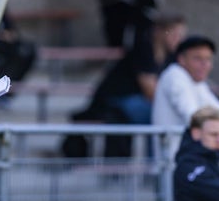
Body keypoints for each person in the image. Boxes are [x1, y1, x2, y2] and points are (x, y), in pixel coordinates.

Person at [72, 13, 186, 157]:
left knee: (163, 114)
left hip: (135, 102)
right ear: (157, 32)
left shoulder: (171, 57)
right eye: (173, 33)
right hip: (114, 102)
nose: (178, 38)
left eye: (181, 34)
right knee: (158, 115)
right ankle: (157, 167)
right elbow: (151, 92)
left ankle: (159, 165)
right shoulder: (143, 49)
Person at [152, 35, 219, 159]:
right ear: (182, 59)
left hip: (192, 160)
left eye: (208, 59)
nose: (204, 64)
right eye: (197, 58)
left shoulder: (196, 82)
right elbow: (194, 117)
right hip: (176, 164)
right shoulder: (174, 76)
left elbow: (218, 109)